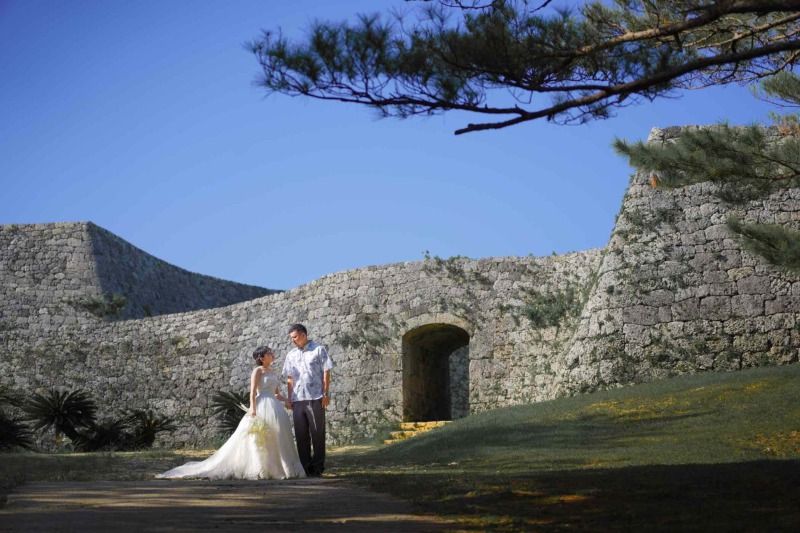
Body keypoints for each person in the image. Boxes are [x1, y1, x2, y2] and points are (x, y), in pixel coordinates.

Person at [156, 346, 305, 480]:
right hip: (261, 405)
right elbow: (253, 391)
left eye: (271, 352)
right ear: (261, 358)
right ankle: (262, 468)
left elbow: (276, 393)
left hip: (274, 406)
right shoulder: (257, 371)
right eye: (268, 353)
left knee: (277, 434)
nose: (272, 354)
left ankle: (283, 467)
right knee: (259, 438)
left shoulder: (273, 372)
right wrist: (253, 408)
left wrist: (287, 400)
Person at [282, 323, 334, 477]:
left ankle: (317, 467)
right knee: (301, 435)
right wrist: (290, 398)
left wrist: (326, 393)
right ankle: (305, 468)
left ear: (304, 335)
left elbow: (326, 372)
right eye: (291, 338)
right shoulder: (290, 355)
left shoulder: (319, 349)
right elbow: (290, 378)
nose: (293, 340)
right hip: (298, 400)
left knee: (317, 433)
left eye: (295, 337)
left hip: (315, 397)